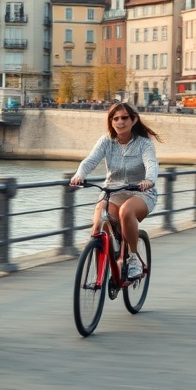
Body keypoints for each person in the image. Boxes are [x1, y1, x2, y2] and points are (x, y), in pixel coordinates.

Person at [70, 102, 161, 280]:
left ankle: (133, 259)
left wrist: (149, 180)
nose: (120, 122)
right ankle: (102, 269)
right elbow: (90, 161)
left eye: (124, 118)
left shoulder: (144, 143)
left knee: (126, 212)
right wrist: (79, 175)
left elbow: (151, 163)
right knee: (98, 223)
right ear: (111, 121)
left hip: (141, 192)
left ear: (133, 120)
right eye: (115, 118)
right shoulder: (106, 141)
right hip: (113, 191)